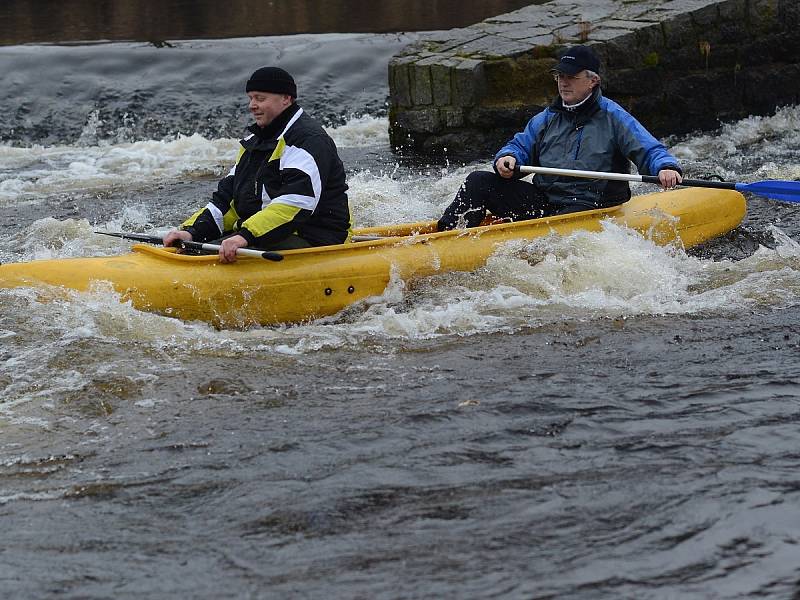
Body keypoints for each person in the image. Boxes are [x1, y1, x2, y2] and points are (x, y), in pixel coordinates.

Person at [438, 45, 683, 230]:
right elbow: (519, 146)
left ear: (592, 81)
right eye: (560, 77)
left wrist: (666, 168)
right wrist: (507, 158)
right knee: (478, 181)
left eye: (571, 77)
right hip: (547, 200)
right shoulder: (547, 118)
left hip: (591, 204)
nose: (563, 83)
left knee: (558, 224)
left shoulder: (614, 117)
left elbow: (649, 149)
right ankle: (447, 235)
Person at [164, 67, 352, 263]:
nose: (252, 105)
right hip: (269, 234)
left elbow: (295, 203)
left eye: (260, 99)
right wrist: (192, 233)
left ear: (286, 99)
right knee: (189, 249)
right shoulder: (253, 142)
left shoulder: (309, 140)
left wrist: (244, 236)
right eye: (251, 98)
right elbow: (227, 202)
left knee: (209, 257)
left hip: (316, 239)